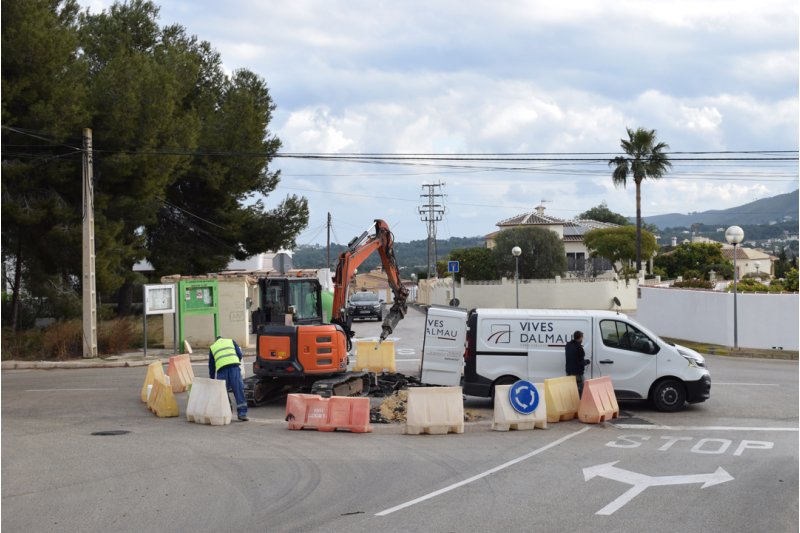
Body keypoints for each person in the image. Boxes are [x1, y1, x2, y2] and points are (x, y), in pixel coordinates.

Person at [209, 336, 248, 421]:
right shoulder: (231, 341)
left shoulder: (213, 347)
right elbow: (239, 354)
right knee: (238, 390)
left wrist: (212, 378)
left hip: (222, 370)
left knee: (223, 392)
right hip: (234, 368)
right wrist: (235, 361)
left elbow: (211, 365)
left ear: (216, 341)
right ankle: (242, 414)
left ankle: (227, 413)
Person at [565, 330, 590, 397]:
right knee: (581, 392)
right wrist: (587, 361)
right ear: (580, 338)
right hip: (577, 374)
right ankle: (580, 405)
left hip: (569, 372)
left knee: (571, 392)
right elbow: (580, 362)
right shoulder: (579, 348)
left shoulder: (568, 345)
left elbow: (573, 358)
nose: (582, 339)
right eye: (582, 337)